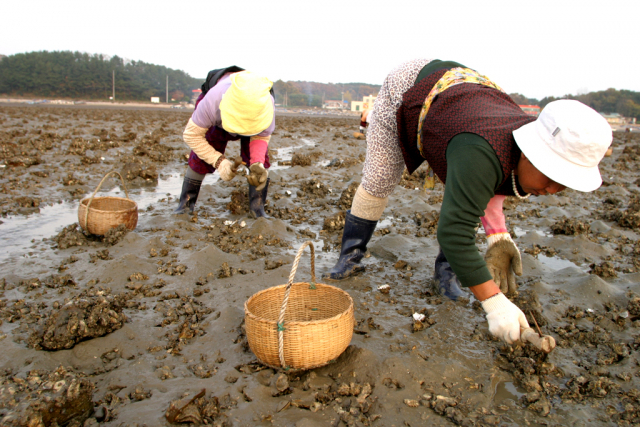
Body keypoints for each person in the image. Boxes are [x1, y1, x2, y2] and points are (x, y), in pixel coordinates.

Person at [323, 59, 612, 344]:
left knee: (464, 187)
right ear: (529, 152)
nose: (552, 189)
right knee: (380, 179)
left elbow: (487, 184)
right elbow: (454, 231)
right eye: (552, 176)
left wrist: (498, 236)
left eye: (564, 184)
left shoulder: (505, 147)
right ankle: (351, 255)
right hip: (409, 87)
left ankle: (446, 273)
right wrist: (494, 304)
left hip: (461, 110)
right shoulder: (480, 150)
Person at [174, 68, 274, 218]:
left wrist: (257, 163)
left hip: (254, 116)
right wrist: (219, 162)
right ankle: (185, 205)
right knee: (208, 145)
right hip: (219, 117)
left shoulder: (266, 105)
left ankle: (257, 208)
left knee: (257, 163)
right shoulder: (212, 101)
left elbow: (261, 137)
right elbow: (192, 135)